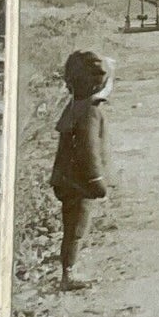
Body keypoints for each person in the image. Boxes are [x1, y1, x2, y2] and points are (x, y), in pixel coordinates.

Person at [50, 50, 112, 291]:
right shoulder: (91, 111)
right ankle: (69, 274)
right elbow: (89, 149)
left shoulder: (75, 105)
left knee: (71, 226)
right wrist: (97, 180)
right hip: (79, 181)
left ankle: (68, 270)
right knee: (77, 227)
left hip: (66, 178)